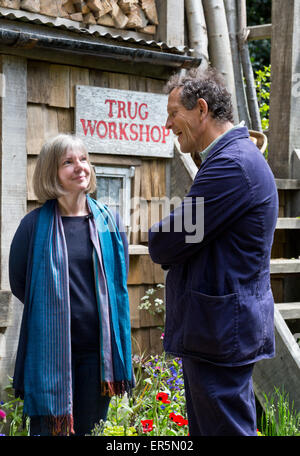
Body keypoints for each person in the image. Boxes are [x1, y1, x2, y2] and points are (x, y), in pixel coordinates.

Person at [148, 67, 278, 436]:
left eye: (174, 113)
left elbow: (166, 242)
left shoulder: (231, 166)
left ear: (201, 109)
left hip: (220, 332)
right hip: (217, 329)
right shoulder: (231, 159)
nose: (168, 123)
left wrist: (162, 233)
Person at [9, 134, 134, 436]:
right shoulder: (33, 225)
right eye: (68, 162)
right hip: (50, 354)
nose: (80, 167)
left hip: (96, 355)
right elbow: (20, 283)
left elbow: (117, 283)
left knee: (91, 430)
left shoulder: (110, 221)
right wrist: (56, 314)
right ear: (52, 173)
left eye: (83, 160)